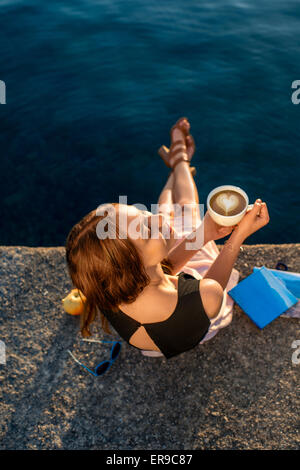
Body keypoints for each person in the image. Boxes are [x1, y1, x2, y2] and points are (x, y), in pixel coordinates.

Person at [65, 117, 270, 359]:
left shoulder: (109, 285)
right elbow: (210, 290)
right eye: (149, 230)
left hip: (153, 341)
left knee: (170, 211)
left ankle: (179, 163)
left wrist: (206, 234)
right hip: (201, 321)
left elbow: (162, 270)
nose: (158, 221)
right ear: (133, 265)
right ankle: (180, 161)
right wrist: (237, 237)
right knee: (186, 210)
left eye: (143, 213)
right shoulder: (205, 295)